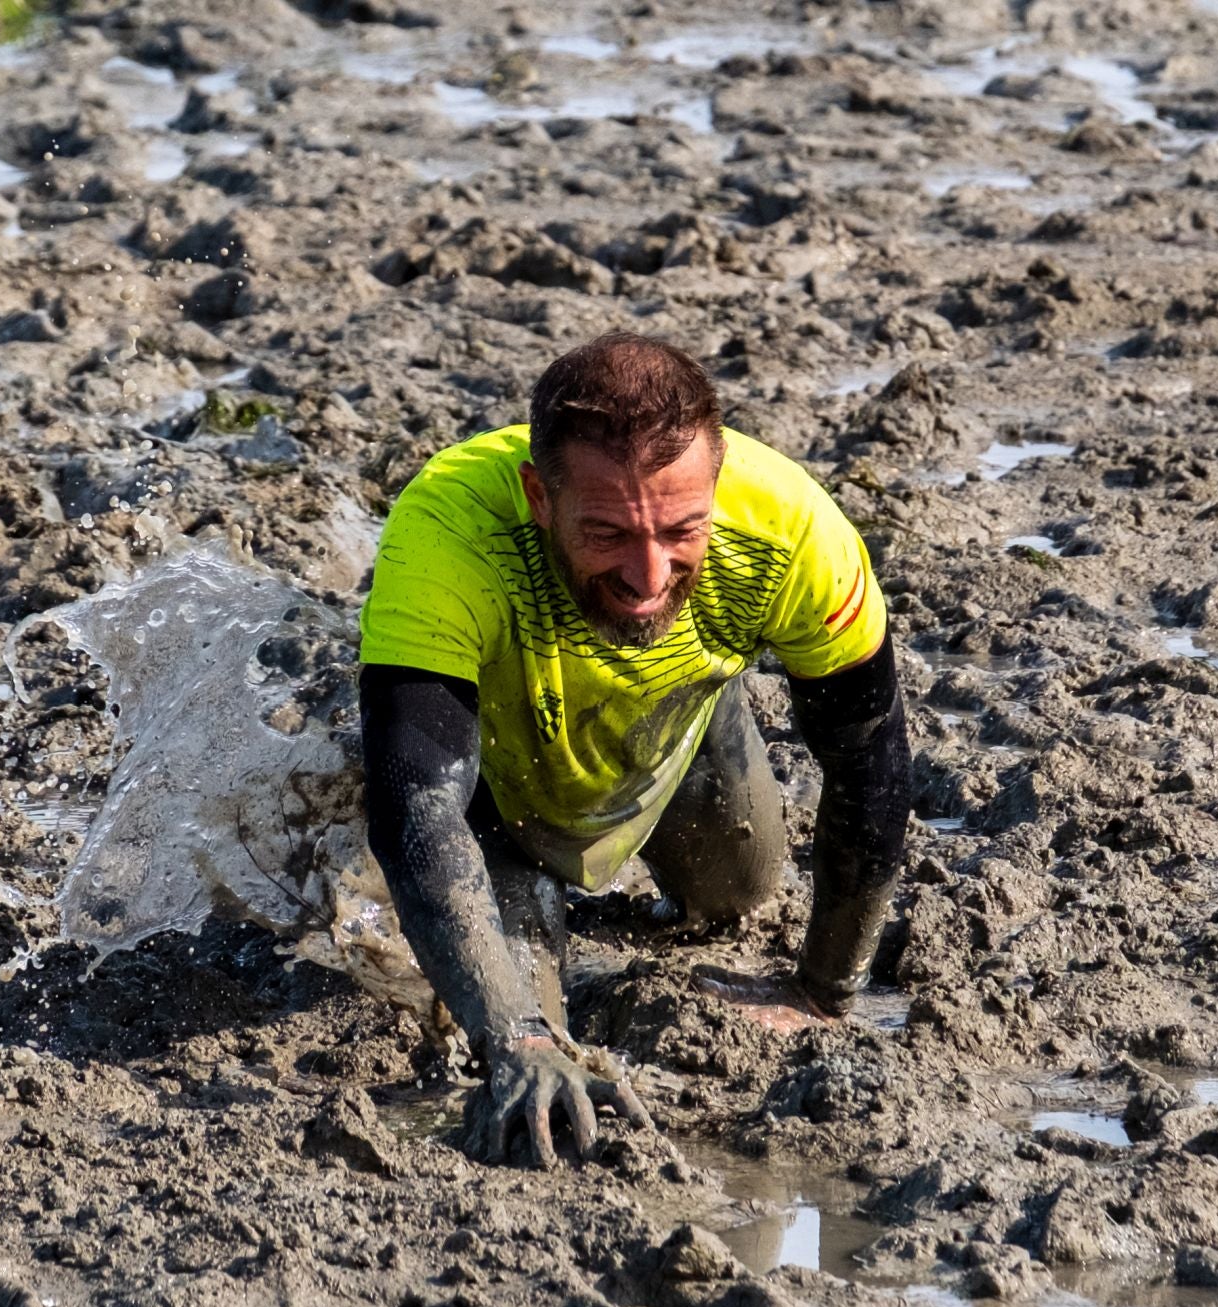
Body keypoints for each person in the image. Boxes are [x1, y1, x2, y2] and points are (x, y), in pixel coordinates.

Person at [358, 333, 910, 1167]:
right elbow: (414, 809)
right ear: (541, 498)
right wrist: (517, 1040)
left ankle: (686, 714)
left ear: (717, 488)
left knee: (742, 891)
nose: (650, 574)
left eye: (682, 529)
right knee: (532, 1069)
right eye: (609, 533)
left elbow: (871, 762)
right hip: (496, 789)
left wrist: (823, 993)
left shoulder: (796, 530)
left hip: (678, 728)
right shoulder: (447, 532)